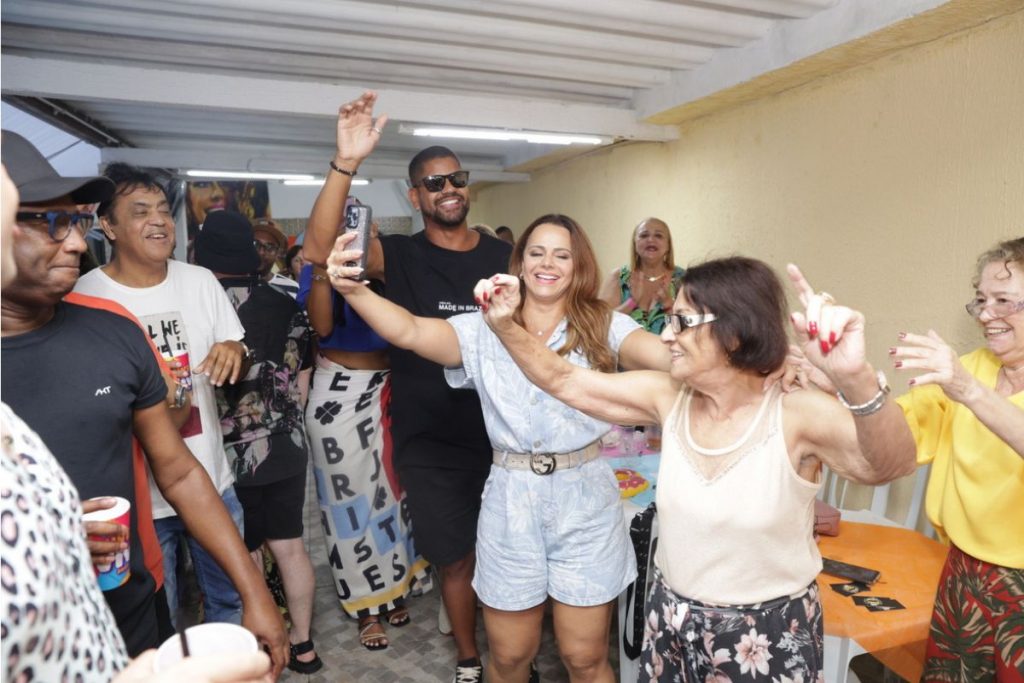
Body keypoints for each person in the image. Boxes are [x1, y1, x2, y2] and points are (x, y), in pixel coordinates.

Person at [478, 256, 918, 682]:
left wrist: (854, 376)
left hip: (764, 636)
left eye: (683, 322)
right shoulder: (668, 397)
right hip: (670, 620)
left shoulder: (795, 413)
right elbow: (562, 379)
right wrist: (503, 325)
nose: (667, 336)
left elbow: (890, 465)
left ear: (733, 333)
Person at [327, 213, 678, 683]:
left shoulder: (604, 325)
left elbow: (662, 356)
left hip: (585, 501)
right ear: (519, 262)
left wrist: (704, 342)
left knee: (585, 658)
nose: (547, 263)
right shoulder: (482, 327)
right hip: (511, 501)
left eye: (561, 254)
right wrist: (353, 290)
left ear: (579, 265)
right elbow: (409, 330)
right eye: (536, 252)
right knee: (510, 657)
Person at [0, 137, 287, 674]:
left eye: (75, 221)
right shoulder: (99, 293)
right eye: (49, 222)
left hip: (130, 604)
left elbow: (176, 469)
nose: (75, 243)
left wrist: (257, 594)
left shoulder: (112, 330)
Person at [302, 91, 512, 683]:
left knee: (506, 556)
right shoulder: (396, 255)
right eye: (433, 182)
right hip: (429, 441)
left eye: (456, 178)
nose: (448, 189)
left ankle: (510, 658)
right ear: (415, 197)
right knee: (455, 558)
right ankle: (470, 661)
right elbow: (319, 253)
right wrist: (346, 162)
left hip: (502, 436)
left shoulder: (501, 253)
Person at [788, 238, 1024, 680]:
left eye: (1004, 301)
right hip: (962, 573)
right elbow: (892, 442)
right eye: (981, 299)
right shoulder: (970, 369)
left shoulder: (963, 380)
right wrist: (843, 385)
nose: (987, 314)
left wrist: (967, 391)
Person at [72, 163, 255, 630]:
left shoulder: (199, 281)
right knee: (158, 619)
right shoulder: (83, 299)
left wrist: (234, 348)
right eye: (139, 211)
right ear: (108, 225)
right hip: (138, 501)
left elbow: (235, 346)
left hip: (210, 482)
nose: (158, 220)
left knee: (229, 605)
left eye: (162, 210)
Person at [193, 210, 322, 674]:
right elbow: (303, 380)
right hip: (287, 443)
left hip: (227, 454)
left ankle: (258, 648)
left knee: (243, 554)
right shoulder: (288, 304)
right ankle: (303, 647)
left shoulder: (201, 306)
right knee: (290, 546)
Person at [298, 202, 431, 651]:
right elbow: (321, 325)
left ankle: (394, 586)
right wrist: (324, 269)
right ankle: (365, 608)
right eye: (342, 227)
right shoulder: (320, 270)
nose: (355, 235)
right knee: (348, 503)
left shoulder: (392, 271)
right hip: (339, 396)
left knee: (392, 497)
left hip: (389, 390)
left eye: (362, 227)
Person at [599, 217, 685, 334]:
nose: (650, 240)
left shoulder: (684, 279)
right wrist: (631, 302)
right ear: (635, 243)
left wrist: (669, 305)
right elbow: (598, 325)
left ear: (668, 245)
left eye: (658, 236)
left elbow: (694, 331)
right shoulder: (618, 277)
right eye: (644, 235)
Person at [252, 218, 299, 298]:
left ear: (278, 253)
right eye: (256, 244)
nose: (261, 252)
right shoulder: (232, 285)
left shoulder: (293, 289)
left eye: (270, 247)